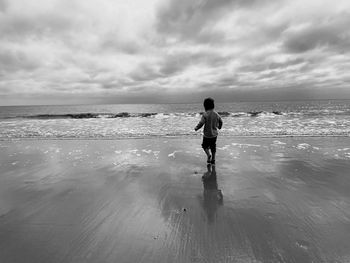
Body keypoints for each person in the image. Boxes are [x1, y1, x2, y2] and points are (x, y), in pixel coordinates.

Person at [194, 97, 223, 165]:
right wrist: (219, 127)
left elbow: (201, 123)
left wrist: (196, 128)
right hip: (214, 135)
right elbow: (221, 121)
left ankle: (208, 155)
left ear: (205, 106)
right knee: (213, 147)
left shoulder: (205, 114)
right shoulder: (216, 114)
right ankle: (213, 159)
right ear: (213, 105)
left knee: (204, 146)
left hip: (207, 135)